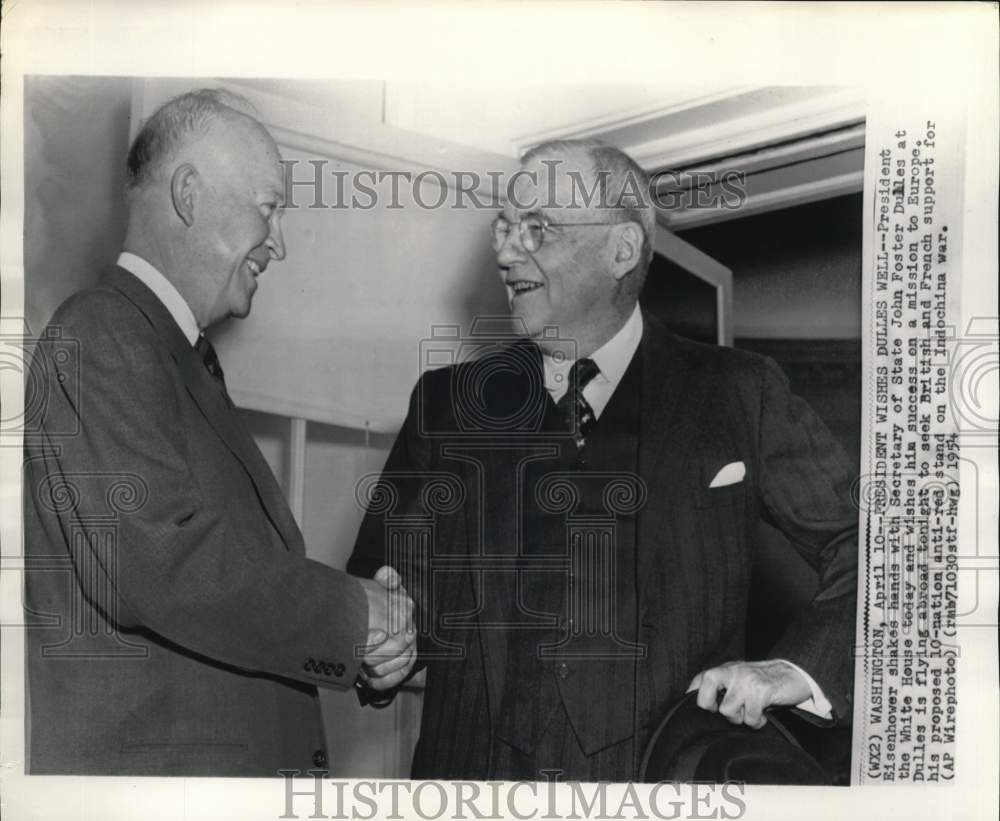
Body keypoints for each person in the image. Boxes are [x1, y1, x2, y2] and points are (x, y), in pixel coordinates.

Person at [348, 138, 858, 781]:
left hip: (654, 796)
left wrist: (797, 668)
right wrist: (383, 645)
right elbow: (378, 587)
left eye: (537, 229)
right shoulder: (446, 404)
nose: (506, 252)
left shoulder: (739, 392)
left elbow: (874, 543)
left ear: (621, 249)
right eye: (504, 228)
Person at [23, 89, 416, 777]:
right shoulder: (101, 332)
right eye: (268, 209)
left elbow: (224, 596)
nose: (281, 244)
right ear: (189, 195)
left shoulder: (174, 356)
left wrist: (366, 645)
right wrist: (357, 617)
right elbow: (165, 564)